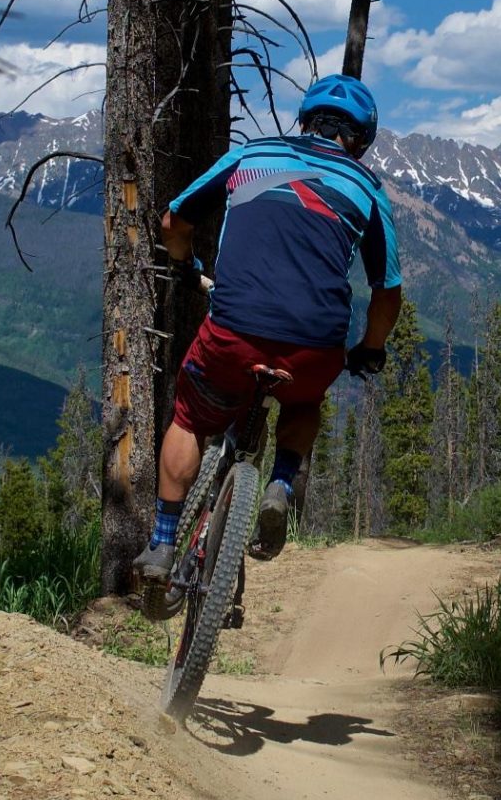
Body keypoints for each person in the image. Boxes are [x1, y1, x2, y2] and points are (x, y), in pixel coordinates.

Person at [135, 75, 404, 595]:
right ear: (361, 139)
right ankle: (279, 485)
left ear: (304, 119)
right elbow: (387, 291)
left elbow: (172, 220)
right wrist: (371, 348)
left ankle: (163, 542)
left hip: (232, 333)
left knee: (190, 416)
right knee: (303, 404)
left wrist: (185, 262)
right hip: (313, 347)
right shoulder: (367, 188)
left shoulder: (250, 155)